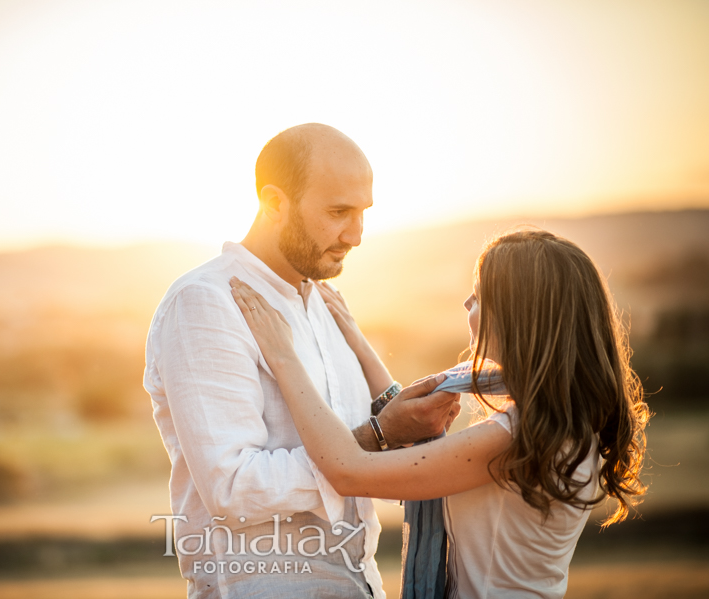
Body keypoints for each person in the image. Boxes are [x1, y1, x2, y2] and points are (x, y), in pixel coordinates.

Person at [229, 228, 650, 598]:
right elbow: (420, 422)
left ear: (521, 318)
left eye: (480, 296)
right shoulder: (564, 425)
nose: (467, 303)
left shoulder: (511, 440)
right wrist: (357, 339)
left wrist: (283, 356)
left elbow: (347, 469)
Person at [143, 123, 460, 598]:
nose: (355, 235)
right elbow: (232, 486)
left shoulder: (326, 304)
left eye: (363, 213)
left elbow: (366, 455)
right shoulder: (205, 303)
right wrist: (377, 436)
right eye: (338, 212)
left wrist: (401, 427)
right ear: (273, 203)